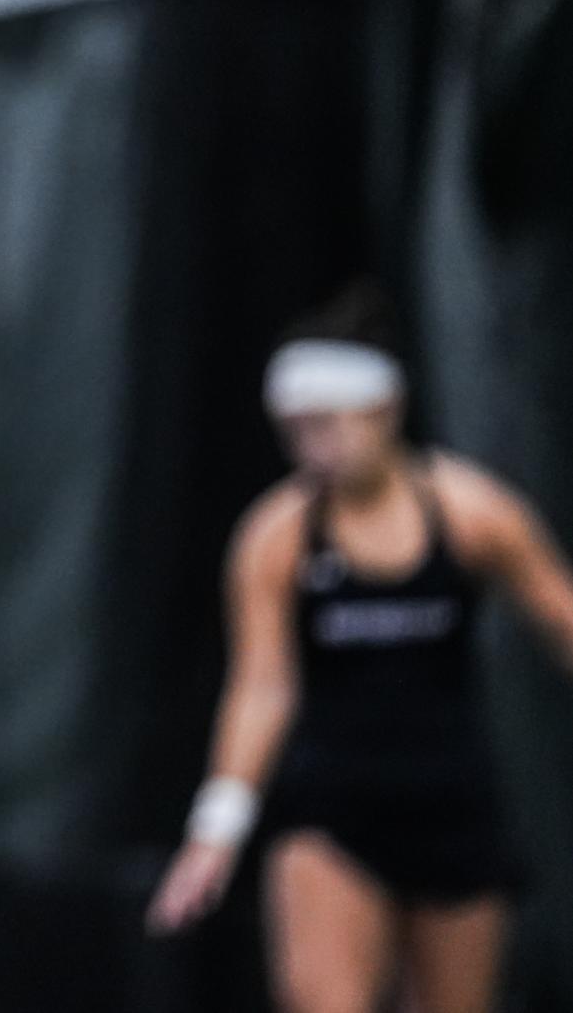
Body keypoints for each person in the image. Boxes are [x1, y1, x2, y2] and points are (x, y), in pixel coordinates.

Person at [146, 285, 573, 1013]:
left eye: (323, 424)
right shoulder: (275, 535)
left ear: (382, 410)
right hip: (333, 813)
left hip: (453, 804)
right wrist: (215, 831)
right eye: (293, 429)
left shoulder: (474, 515)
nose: (307, 445)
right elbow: (262, 686)